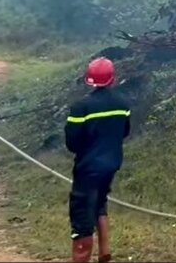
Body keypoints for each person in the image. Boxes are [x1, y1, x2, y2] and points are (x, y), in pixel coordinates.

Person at [66, 57, 131, 263]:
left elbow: (72, 143)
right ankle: (105, 251)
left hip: (88, 169)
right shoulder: (123, 104)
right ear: (113, 79)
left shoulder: (81, 107)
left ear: (88, 79)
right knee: (100, 202)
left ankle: (82, 256)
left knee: (82, 219)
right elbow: (125, 132)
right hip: (111, 165)